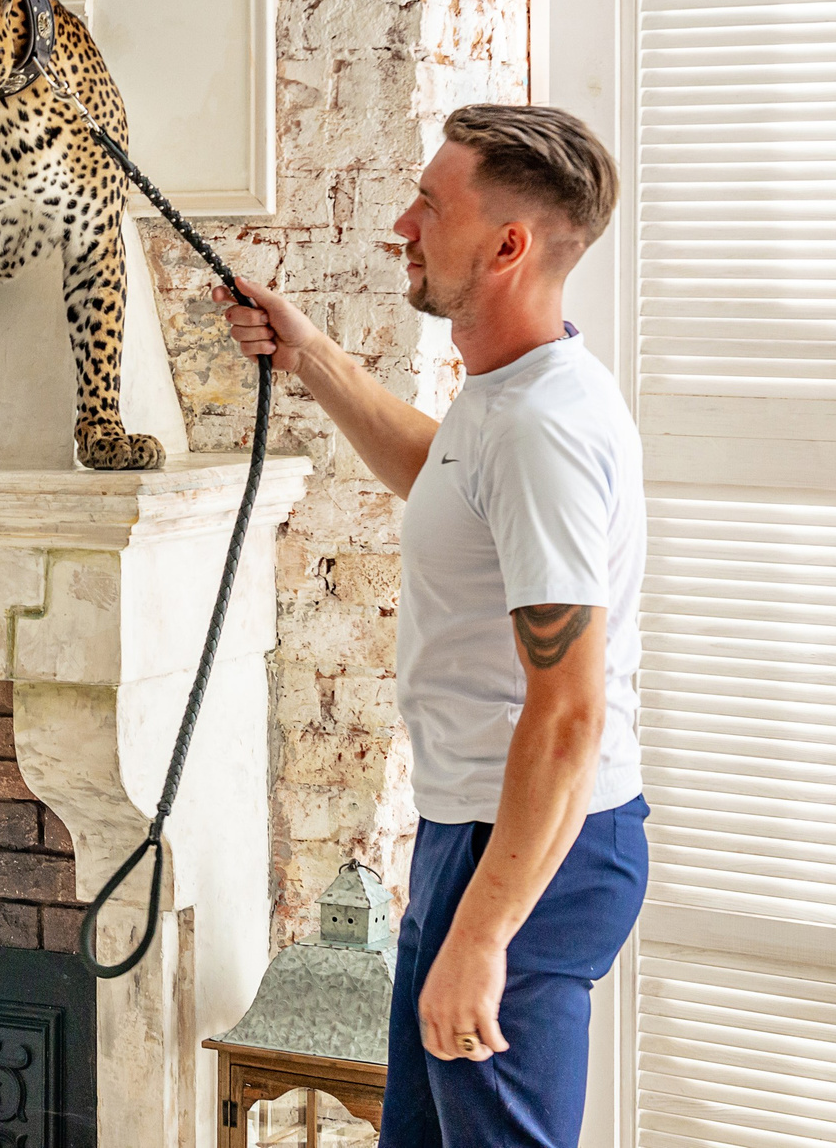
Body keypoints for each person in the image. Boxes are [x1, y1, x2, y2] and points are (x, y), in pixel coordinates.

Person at [214, 105, 646, 1148]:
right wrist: (311, 357)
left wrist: (485, 930)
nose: (400, 226)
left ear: (508, 246)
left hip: (537, 843)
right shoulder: (501, 399)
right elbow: (439, 476)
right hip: (473, 827)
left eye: (428, 206)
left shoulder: (542, 430)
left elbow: (568, 711)